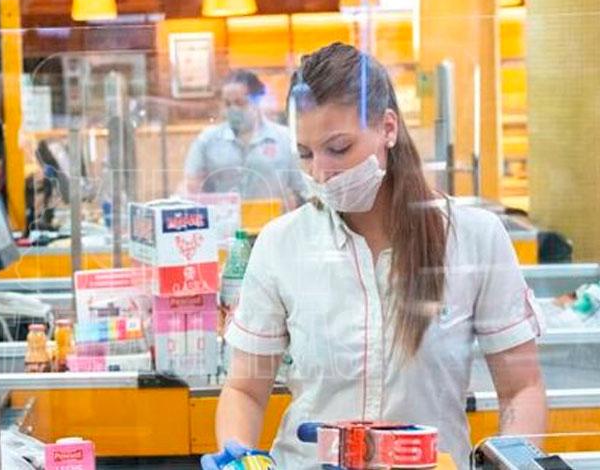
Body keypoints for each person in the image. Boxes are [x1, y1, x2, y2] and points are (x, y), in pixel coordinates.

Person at [203, 43, 547, 469]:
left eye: (338, 148)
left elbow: (521, 388)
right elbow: (245, 390)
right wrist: (237, 456)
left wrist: (513, 461)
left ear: (388, 128)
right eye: (306, 153)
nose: (320, 172)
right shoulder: (280, 245)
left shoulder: (474, 238)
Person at [184, 70, 304, 210]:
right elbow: (192, 185)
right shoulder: (207, 140)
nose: (233, 109)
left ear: (256, 101)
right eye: (228, 104)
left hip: (272, 220)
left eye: (239, 103)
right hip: (223, 221)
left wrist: (291, 204)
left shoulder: (284, 138)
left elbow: (301, 189)